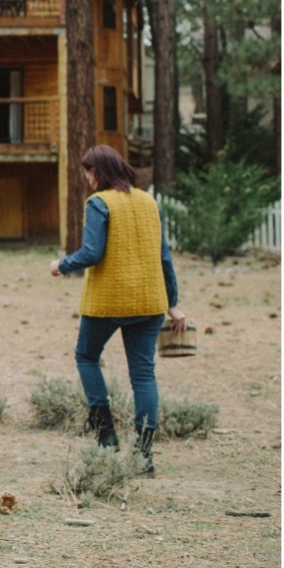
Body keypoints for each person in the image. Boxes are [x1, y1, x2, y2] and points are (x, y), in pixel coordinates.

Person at [50, 144, 187, 477]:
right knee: (143, 374)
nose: (86, 180)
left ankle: (105, 431)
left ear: (97, 172)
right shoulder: (149, 201)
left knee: (86, 356)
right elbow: (164, 256)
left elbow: (92, 253)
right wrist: (173, 304)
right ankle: (144, 455)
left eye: (87, 173)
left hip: (110, 301)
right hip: (151, 302)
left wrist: (61, 265)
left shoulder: (99, 203)